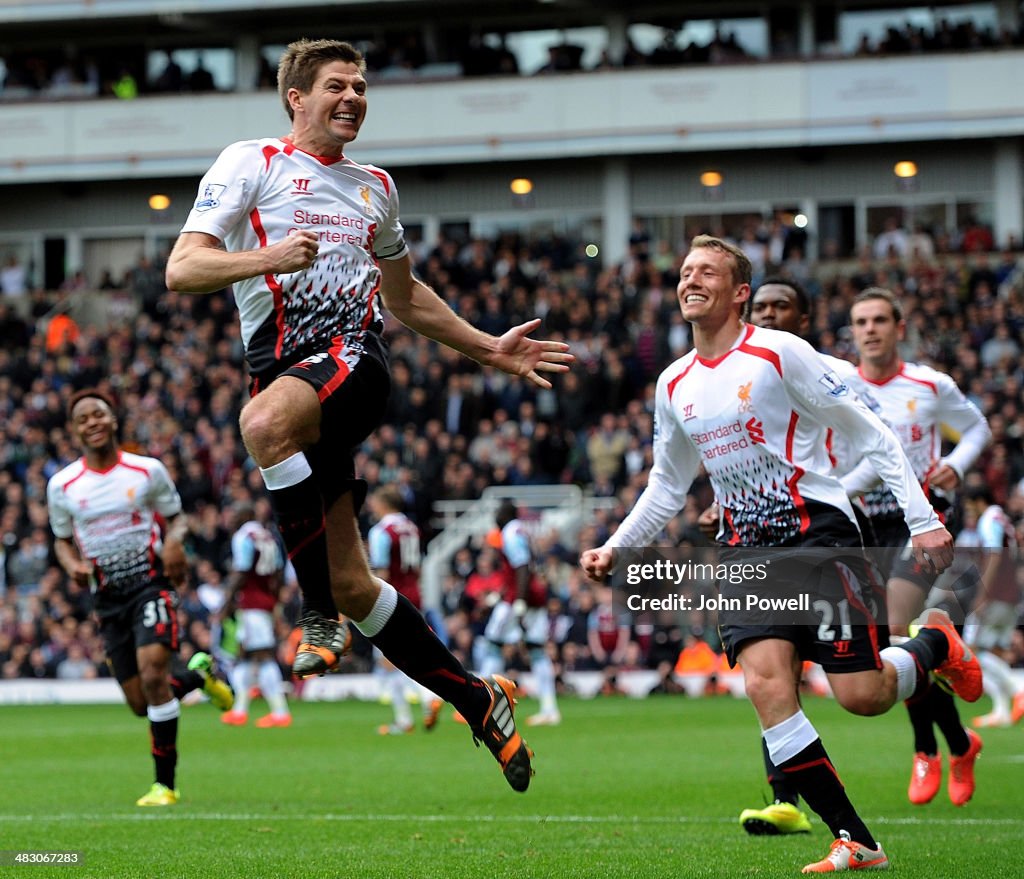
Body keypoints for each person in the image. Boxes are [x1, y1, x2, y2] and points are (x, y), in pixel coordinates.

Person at [164, 39, 571, 792]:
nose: (352, 98)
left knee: (260, 427)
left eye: (360, 87)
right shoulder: (249, 163)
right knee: (358, 581)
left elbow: (405, 297)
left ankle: (316, 614)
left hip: (353, 360)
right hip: (290, 383)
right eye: (336, 86)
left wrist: (488, 348)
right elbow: (183, 267)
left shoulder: (374, 187)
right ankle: (477, 698)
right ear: (296, 97)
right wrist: (269, 257)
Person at [579, 236, 982, 873]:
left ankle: (935, 644)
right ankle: (856, 840)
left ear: (740, 292)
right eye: (685, 271)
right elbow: (667, 484)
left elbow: (868, 432)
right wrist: (617, 544)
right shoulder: (673, 383)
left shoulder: (779, 352)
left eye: (707, 272)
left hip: (819, 536)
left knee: (864, 695)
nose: (691, 280)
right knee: (767, 686)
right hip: (744, 552)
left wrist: (924, 521)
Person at [46, 388, 234, 807]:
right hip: (107, 599)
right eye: (83, 419)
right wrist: (72, 565)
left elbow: (177, 520)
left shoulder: (146, 471)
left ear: (114, 420)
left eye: (99, 415)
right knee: (139, 702)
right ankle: (200, 677)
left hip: (151, 583)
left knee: (152, 678)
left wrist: (174, 544)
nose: (92, 423)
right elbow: (60, 541)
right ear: (74, 431)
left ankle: (164, 785)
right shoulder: (62, 486)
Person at [844, 287, 990, 807]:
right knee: (896, 644)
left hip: (923, 516)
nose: (870, 329)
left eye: (880, 319)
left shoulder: (930, 384)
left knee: (892, 627)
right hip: (865, 525)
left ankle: (927, 748)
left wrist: (961, 462)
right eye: (861, 321)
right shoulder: (837, 384)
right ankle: (957, 743)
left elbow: (976, 428)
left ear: (899, 327)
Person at [365, 485, 442, 736]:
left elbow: (383, 573)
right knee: (404, 656)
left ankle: (421, 702)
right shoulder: (412, 528)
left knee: (391, 659)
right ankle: (409, 714)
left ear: (384, 504)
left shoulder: (381, 531)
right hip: (413, 595)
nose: (371, 507)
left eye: (374, 502)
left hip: (391, 598)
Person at [482, 500, 561, 726]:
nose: (495, 516)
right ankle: (549, 709)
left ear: (504, 514)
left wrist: (519, 601)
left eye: (497, 511)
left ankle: (481, 703)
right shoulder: (521, 530)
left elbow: (522, 567)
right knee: (536, 650)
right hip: (530, 596)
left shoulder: (510, 532)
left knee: (493, 644)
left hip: (520, 598)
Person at [219, 500, 292, 728]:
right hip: (265, 602)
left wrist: (227, 602)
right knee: (248, 656)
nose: (230, 520)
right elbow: (280, 572)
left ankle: (280, 713)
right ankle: (240, 710)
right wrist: (275, 600)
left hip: (251, 603)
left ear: (244, 516)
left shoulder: (244, 536)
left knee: (261, 655)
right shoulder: (268, 535)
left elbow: (241, 571)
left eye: (234, 516)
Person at [957, 485, 1024, 729]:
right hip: (1009, 594)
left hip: (995, 594)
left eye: (969, 506)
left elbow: (994, 556)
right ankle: (1001, 711)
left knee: (972, 650)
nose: (969, 512)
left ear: (978, 502)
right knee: (995, 651)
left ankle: (1019, 690)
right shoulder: (1002, 519)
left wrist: (983, 593)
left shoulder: (989, 520)